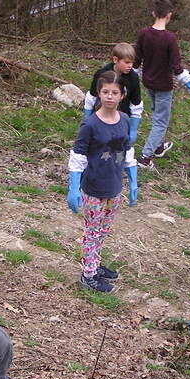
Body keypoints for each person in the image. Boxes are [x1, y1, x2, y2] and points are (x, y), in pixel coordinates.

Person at [67, 70, 138, 293]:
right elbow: (77, 157)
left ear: (122, 95)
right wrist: (73, 188)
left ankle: (94, 264)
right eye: (105, 92)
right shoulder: (90, 125)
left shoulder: (125, 120)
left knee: (103, 230)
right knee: (92, 231)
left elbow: (127, 152)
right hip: (94, 188)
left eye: (114, 92)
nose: (109, 96)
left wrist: (134, 182)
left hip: (114, 188)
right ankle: (88, 275)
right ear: (98, 94)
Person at [133, 0, 190, 169]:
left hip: (148, 82)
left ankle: (158, 146)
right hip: (163, 86)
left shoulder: (143, 34)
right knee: (161, 122)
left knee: (157, 114)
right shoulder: (170, 39)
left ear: (154, 13)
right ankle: (146, 157)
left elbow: (137, 59)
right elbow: (177, 67)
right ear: (169, 15)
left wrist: (133, 75)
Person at [83, 42, 144, 150]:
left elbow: (136, 104)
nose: (130, 66)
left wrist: (133, 129)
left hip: (121, 121)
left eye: (132, 62)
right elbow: (91, 97)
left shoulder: (133, 78)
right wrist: (87, 120)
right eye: (126, 62)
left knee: (117, 151)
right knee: (98, 148)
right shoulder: (101, 74)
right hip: (100, 118)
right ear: (115, 60)